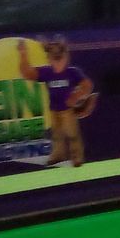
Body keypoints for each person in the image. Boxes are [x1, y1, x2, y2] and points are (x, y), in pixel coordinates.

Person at [19, 34, 95, 167]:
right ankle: (58, 155)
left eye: (60, 57)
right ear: (48, 58)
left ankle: (77, 157)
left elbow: (87, 85)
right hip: (53, 109)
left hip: (67, 109)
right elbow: (28, 73)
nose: (58, 62)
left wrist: (76, 96)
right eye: (54, 58)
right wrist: (23, 54)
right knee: (56, 135)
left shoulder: (72, 72)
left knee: (72, 134)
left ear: (66, 57)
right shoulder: (47, 72)